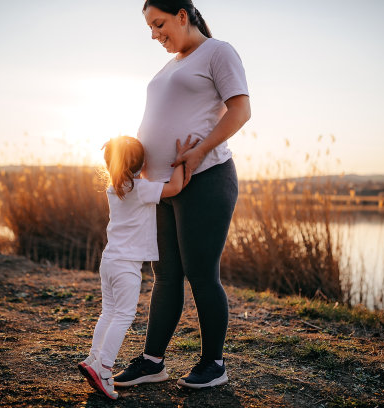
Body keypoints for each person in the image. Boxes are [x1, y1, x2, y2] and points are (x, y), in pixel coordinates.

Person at [113, 0, 251, 390]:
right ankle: (153, 361)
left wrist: (202, 148)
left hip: (204, 178)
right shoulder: (171, 64)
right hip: (162, 186)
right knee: (166, 274)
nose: (155, 35)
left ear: (182, 15)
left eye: (159, 24)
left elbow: (240, 110)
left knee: (202, 274)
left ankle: (214, 364)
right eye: (150, 29)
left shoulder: (217, 51)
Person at [77, 135, 191, 399]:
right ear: (142, 163)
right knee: (124, 316)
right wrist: (181, 160)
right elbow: (175, 188)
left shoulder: (114, 189)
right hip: (126, 267)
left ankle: (93, 358)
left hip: (109, 261)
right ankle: (104, 369)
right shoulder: (141, 188)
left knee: (109, 311)